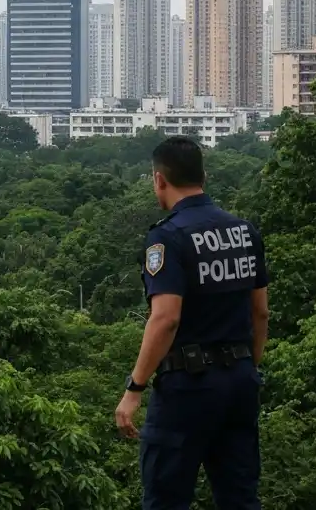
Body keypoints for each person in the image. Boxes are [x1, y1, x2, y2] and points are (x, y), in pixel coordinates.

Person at [114, 136, 270, 510]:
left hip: (188, 385)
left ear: (159, 181)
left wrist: (135, 387)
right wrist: (249, 365)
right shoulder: (244, 232)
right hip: (239, 381)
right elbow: (260, 312)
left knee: (166, 498)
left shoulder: (168, 237)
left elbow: (166, 318)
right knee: (240, 497)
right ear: (204, 175)